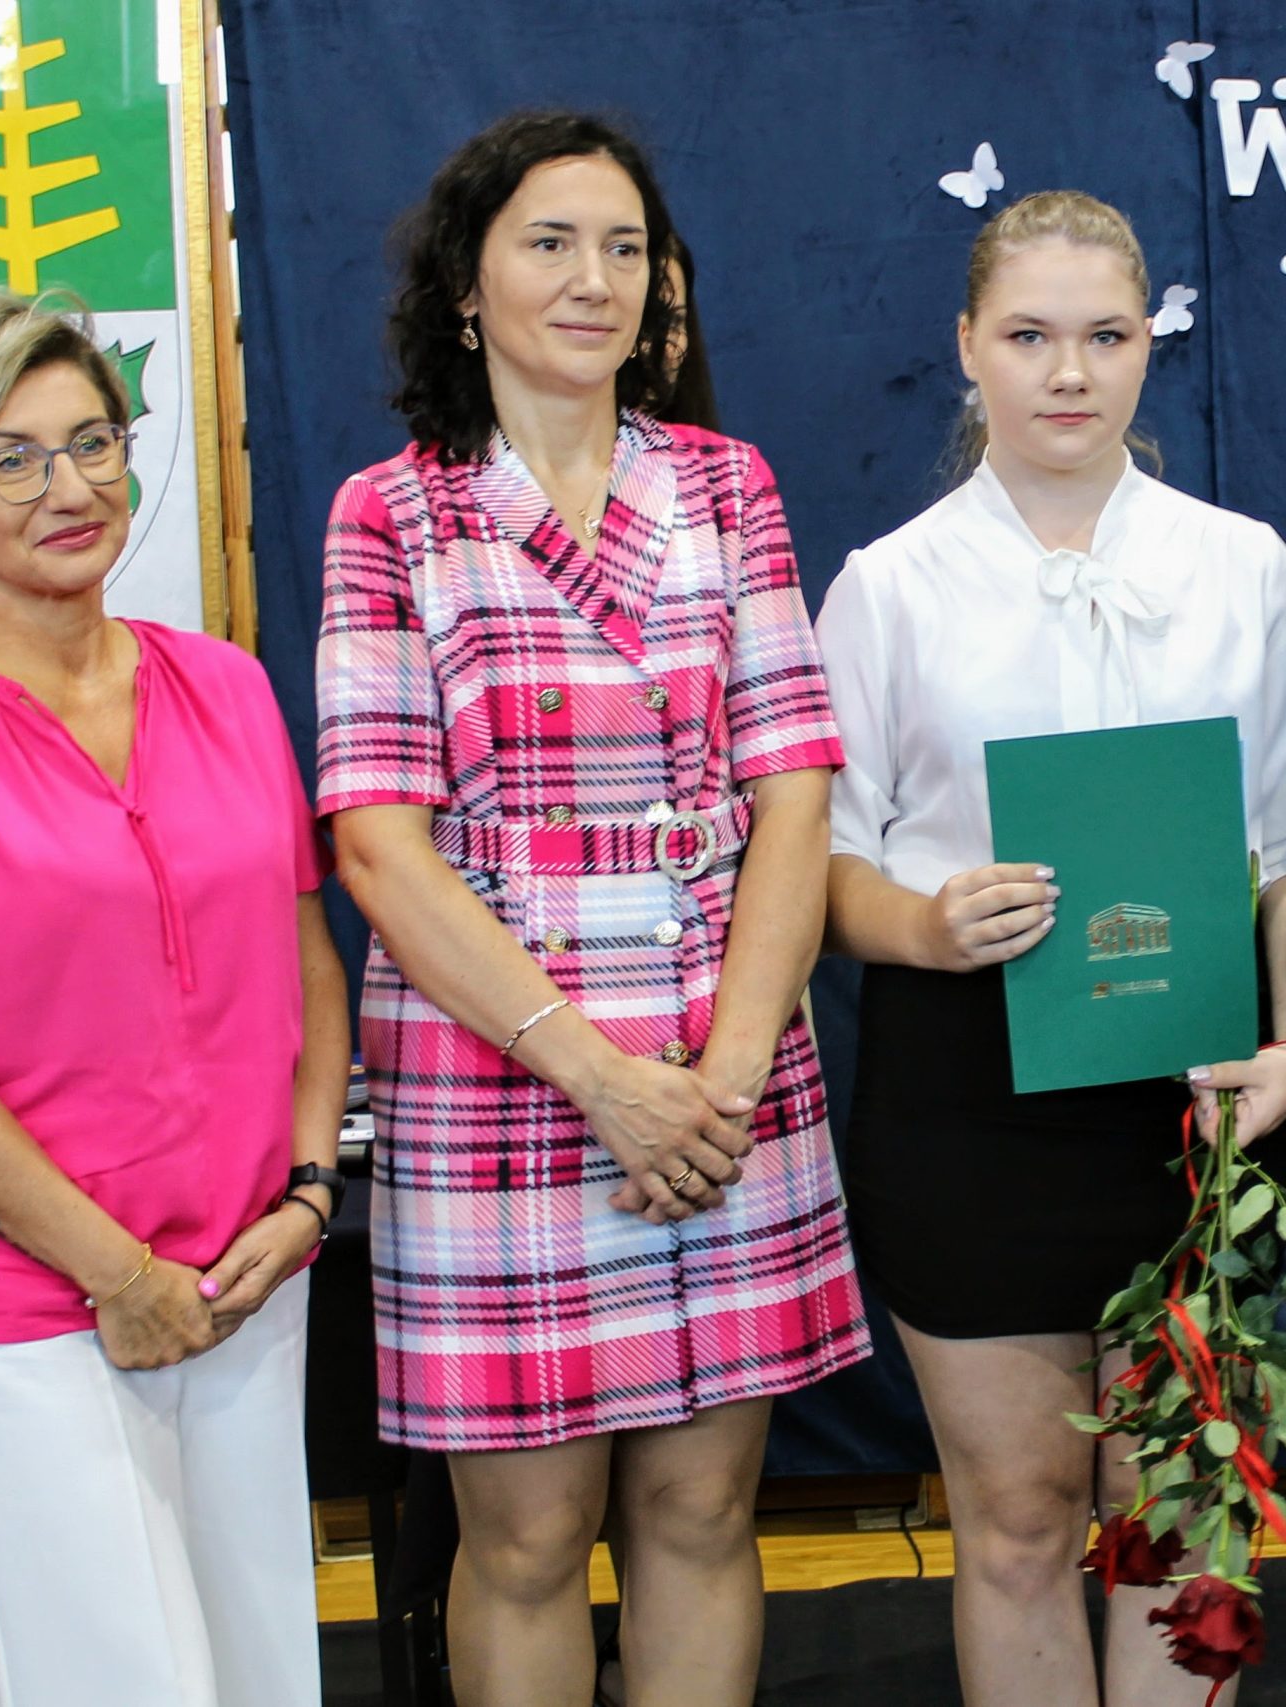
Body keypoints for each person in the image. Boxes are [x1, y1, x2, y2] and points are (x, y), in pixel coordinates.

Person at [316, 110, 868, 1707]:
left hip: (721, 1066)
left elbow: (795, 795)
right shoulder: (392, 511)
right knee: (528, 1540)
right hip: (505, 1067)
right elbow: (380, 848)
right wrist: (602, 1079)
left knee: (702, 1510)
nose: (593, 279)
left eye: (625, 248)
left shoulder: (727, 486)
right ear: (466, 286)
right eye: (550, 243)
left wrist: (727, 1077)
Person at [817, 189, 1286, 1706]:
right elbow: (822, 872)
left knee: (1180, 1512)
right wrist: (926, 924)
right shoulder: (889, 585)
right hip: (966, 1094)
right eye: (1029, 336)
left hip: (1199, 1089)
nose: (1068, 372)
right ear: (966, 347)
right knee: (1019, 1519)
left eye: (1106, 336)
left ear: (1149, 346)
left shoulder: (1244, 565)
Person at [0, 288, 347, 1704]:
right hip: (24, 1306)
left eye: (93, 442)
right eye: (13, 459)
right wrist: (118, 1276)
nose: (72, 488)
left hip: (244, 1279)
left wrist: (307, 1197)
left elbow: (305, 964)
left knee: (260, 1680)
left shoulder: (226, 686)